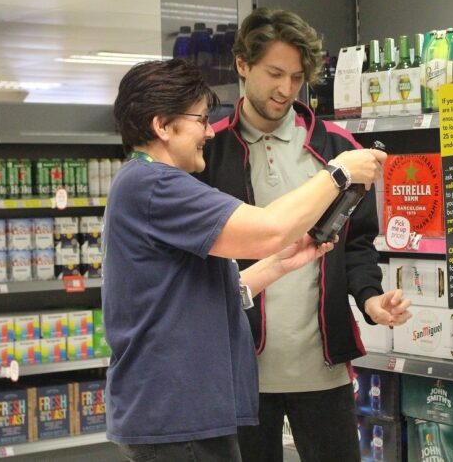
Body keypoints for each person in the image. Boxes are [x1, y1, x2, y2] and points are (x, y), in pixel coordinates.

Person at [103, 58, 386, 462]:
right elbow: (269, 228)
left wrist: (277, 265)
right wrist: (337, 173)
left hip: (180, 412)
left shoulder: (146, 185)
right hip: (177, 415)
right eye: (199, 120)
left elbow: (191, 297)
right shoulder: (155, 186)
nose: (207, 132)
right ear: (162, 125)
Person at [197, 8, 412, 462]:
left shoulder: (339, 149)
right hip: (239, 373)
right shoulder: (208, 153)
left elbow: (356, 243)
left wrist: (372, 300)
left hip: (322, 369)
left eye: (296, 78)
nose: (285, 90)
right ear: (242, 64)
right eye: (274, 73)